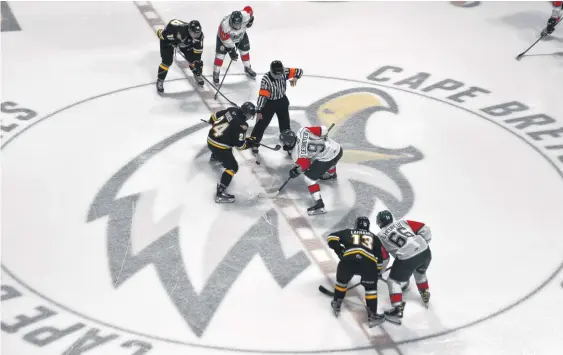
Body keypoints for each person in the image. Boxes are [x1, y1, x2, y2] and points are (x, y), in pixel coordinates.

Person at [326, 217, 385, 327]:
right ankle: (372, 314)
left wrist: (339, 250)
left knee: (341, 283)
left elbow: (331, 238)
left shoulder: (348, 232)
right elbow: (380, 258)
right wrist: (377, 271)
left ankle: (337, 302)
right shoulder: (374, 237)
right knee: (370, 289)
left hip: (348, 260)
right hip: (368, 264)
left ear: (356, 225)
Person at [375, 210, 432, 325]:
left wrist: (379, 271)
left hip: (406, 257)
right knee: (419, 272)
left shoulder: (380, 236)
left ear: (379, 223)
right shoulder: (403, 222)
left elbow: (385, 259)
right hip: (425, 251)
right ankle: (425, 293)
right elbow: (425, 229)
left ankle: (397, 311)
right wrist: (423, 243)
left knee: (393, 281)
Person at [280, 125, 342, 215]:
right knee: (324, 155)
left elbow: (306, 167)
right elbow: (324, 130)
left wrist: (295, 171)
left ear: (287, 143)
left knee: (309, 179)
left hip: (328, 159)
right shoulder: (303, 131)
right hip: (338, 149)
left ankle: (320, 205)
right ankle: (332, 174)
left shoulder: (296, 155)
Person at [206, 102, 259, 203]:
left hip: (209, 140)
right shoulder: (242, 125)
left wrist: (211, 121)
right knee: (233, 167)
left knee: (225, 141)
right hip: (219, 147)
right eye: (249, 115)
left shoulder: (231, 110)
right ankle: (220, 193)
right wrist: (250, 143)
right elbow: (240, 146)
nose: (249, 118)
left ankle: (214, 157)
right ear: (245, 114)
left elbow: (214, 116)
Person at [250, 60, 303, 155]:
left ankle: (289, 145)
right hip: (269, 103)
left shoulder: (284, 72)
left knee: (285, 125)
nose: (279, 77)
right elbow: (263, 96)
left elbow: (299, 71)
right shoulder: (266, 80)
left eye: (280, 74)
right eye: (276, 75)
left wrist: (295, 78)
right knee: (261, 124)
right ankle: (254, 142)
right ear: (271, 72)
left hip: (282, 101)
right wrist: (259, 110)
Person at [156, 19, 204, 93]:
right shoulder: (178, 32)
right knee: (167, 61)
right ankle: (160, 80)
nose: (196, 36)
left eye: (197, 33)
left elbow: (198, 52)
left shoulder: (199, 37)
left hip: (184, 42)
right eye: (194, 34)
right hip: (169, 41)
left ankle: (196, 75)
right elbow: (162, 35)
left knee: (194, 60)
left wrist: (197, 65)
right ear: (189, 31)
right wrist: (173, 42)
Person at [213, 7, 256, 83]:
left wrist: (251, 20)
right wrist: (231, 51)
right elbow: (226, 41)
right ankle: (216, 72)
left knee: (244, 51)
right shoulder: (224, 26)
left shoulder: (245, 16)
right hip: (225, 39)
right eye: (235, 25)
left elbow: (249, 9)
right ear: (230, 22)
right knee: (220, 55)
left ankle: (247, 67)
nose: (237, 27)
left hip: (241, 35)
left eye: (238, 24)